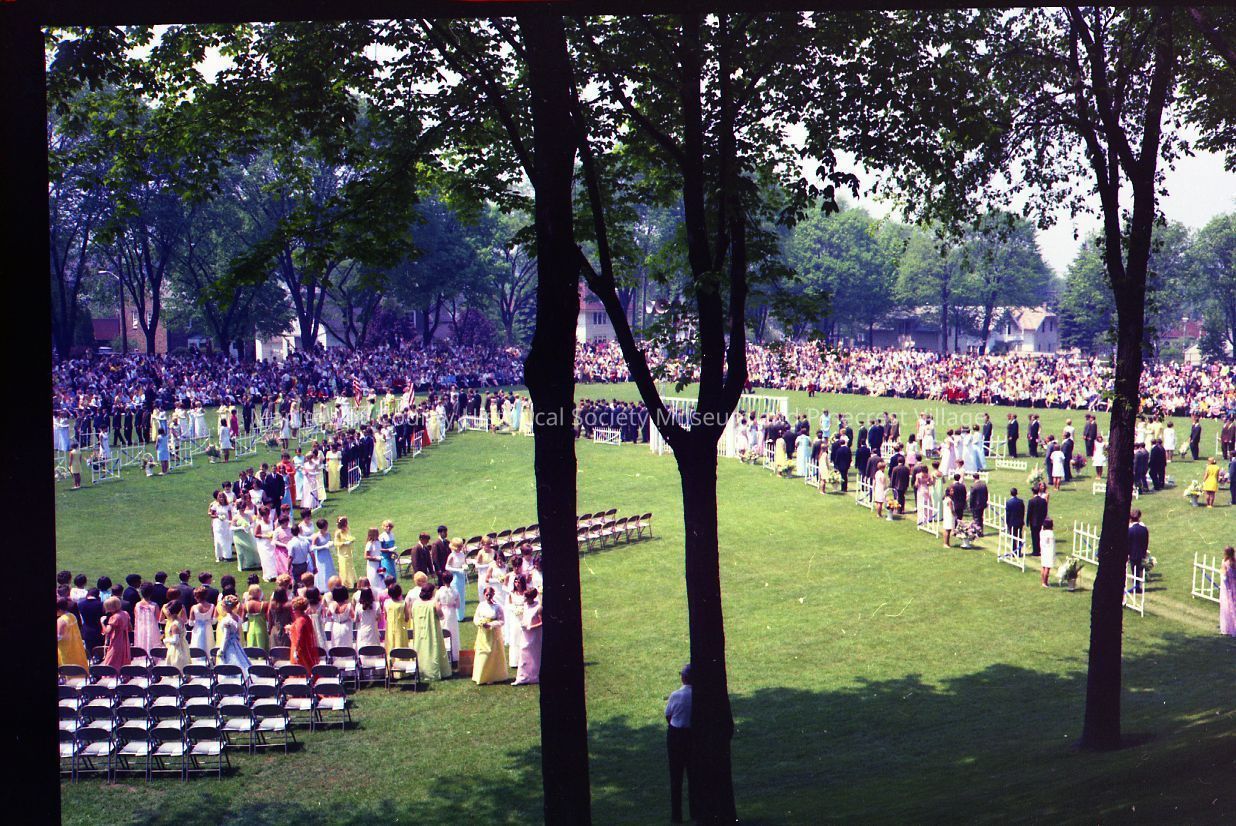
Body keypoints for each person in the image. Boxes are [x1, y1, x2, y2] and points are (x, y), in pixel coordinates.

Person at [665, 663, 695, 824]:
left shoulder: (676, 695)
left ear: (683, 678)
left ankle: (676, 816)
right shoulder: (698, 695)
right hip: (692, 736)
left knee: (675, 777)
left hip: (676, 736)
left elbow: (668, 716)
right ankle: (695, 812)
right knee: (693, 775)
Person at [412, 583, 452, 681]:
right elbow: (441, 616)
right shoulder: (434, 603)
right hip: (432, 631)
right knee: (433, 649)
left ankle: (421, 671)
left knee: (421, 649)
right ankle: (434, 672)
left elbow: (412, 615)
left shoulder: (415, 603)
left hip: (419, 632)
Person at [472, 585, 508, 685]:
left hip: (494, 634)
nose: (488, 597)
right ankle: (480, 676)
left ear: (493, 595)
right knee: (482, 652)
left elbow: (502, 621)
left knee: (492, 653)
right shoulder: (481, 605)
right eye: (487, 595)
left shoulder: (497, 607)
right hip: (483, 633)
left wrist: (491, 624)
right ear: (484, 595)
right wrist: (480, 623)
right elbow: (476, 617)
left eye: (490, 595)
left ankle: (492, 675)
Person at [513, 587, 543, 686]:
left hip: (535, 635)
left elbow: (542, 622)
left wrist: (531, 627)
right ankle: (522, 677)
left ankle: (534, 676)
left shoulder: (538, 608)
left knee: (534, 655)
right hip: (525, 634)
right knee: (523, 653)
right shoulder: (525, 606)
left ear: (530, 597)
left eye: (525, 597)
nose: (524, 598)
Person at [216, 596, 252, 675]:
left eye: (223, 605)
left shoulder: (227, 620)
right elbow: (238, 633)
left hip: (229, 645)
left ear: (226, 606)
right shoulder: (237, 617)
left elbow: (226, 637)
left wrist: (222, 650)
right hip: (236, 643)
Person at [288, 596, 319, 672]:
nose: (293, 611)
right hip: (304, 647)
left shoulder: (300, 620)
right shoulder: (306, 617)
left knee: (299, 669)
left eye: (294, 609)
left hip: (299, 649)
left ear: (298, 610)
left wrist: (296, 651)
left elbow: (298, 636)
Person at [435, 571, 460, 665]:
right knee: (453, 633)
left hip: (443, 611)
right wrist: (452, 603)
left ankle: (444, 654)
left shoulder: (439, 591)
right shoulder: (455, 591)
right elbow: (458, 605)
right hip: (452, 613)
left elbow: (436, 602)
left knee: (443, 631)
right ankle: (454, 655)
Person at [57, 598, 89, 668]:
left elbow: (59, 637)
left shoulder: (61, 620)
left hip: (65, 651)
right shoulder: (72, 616)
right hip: (76, 648)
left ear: (59, 610)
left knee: (67, 670)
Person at [162, 600, 191, 672]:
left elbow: (175, 640)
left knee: (176, 668)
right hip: (183, 646)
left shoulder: (175, 625)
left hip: (177, 650)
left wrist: (165, 640)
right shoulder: (180, 620)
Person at [134, 584, 162, 653]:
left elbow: (136, 616)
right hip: (152, 628)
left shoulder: (137, 605)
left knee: (142, 642)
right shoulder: (154, 605)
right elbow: (158, 618)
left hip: (141, 628)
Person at [232, 506, 261, 572]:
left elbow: (252, 523)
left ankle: (251, 563)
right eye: (241, 508)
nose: (242, 509)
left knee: (252, 549)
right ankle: (240, 566)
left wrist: (249, 526)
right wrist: (240, 527)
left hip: (247, 535)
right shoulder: (235, 517)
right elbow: (231, 527)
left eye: (243, 508)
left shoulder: (248, 516)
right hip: (238, 536)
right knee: (240, 552)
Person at [311, 518, 337, 592]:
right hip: (321, 556)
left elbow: (330, 541)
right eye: (325, 526)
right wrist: (324, 546)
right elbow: (313, 548)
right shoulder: (316, 536)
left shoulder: (328, 534)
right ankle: (323, 588)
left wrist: (331, 544)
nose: (326, 527)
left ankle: (331, 585)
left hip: (327, 555)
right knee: (323, 571)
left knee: (329, 569)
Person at [1127, 510, 1149, 593]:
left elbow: (1128, 543)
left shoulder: (1130, 530)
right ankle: (1137, 586)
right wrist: (1144, 551)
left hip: (1132, 553)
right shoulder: (1144, 529)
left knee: (1134, 570)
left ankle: (1136, 587)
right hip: (1141, 553)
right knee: (1138, 570)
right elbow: (1146, 541)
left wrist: (1128, 553)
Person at [189, 587, 216, 653]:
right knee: (209, 645)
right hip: (208, 629)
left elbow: (191, 623)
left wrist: (197, 622)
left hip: (197, 629)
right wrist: (207, 621)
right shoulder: (212, 606)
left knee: (197, 644)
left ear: (196, 596)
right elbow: (214, 622)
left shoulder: (194, 607)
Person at [334, 516, 356, 588]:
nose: (347, 525)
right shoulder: (338, 533)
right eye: (345, 523)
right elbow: (335, 543)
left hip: (348, 551)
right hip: (342, 553)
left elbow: (349, 536)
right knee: (344, 567)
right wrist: (344, 543)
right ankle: (345, 583)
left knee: (350, 566)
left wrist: (351, 540)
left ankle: (351, 580)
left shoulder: (347, 529)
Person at [244, 585, 268, 649]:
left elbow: (243, 619)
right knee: (262, 651)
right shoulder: (264, 604)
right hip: (262, 630)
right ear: (259, 593)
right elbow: (268, 618)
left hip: (250, 631)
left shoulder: (246, 605)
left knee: (251, 650)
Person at [1220, 546, 1235, 637]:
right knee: (1234, 606)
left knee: (1226, 607)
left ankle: (1227, 628)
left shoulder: (1225, 563)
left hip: (1227, 588)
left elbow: (1224, 577)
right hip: (1234, 587)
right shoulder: (1234, 562)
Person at [1005, 488, 1025, 556]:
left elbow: (1008, 514)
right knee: (1019, 537)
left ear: (1010, 493)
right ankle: (1019, 552)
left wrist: (1007, 522)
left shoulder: (1008, 502)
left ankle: (1014, 552)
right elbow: (1023, 512)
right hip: (1019, 522)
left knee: (1013, 538)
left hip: (1012, 523)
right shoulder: (1020, 501)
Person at [1039, 518, 1056, 587]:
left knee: (1043, 567)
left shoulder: (1042, 532)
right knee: (1047, 568)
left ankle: (1043, 581)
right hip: (1049, 551)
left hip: (1043, 550)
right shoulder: (1050, 534)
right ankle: (1045, 582)